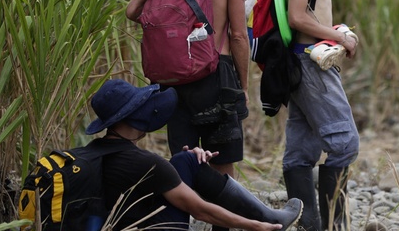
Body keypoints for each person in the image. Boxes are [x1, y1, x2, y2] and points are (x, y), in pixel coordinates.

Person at [126, 0, 251, 197]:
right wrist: (243, 86)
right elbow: (237, 35)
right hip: (215, 75)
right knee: (222, 165)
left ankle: (179, 221)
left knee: (183, 161)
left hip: (173, 79)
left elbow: (132, 11)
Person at [85, 79, 303, 230]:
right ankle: (268, 220)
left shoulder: (93, 152)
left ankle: (267, 214)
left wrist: (183, 164)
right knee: (185, 164)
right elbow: (200, 211)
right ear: (135, 116)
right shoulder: (144, 162)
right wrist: (255, 227)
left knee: (185, 159)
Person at [281, 0, 360, 231]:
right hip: (310, 65)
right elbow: (296, 17)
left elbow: (309, 15)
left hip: (307, 63)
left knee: (301, 150)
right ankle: (331, 224)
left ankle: (308, 223)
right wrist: (339, 36)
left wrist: (334, 31)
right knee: (345, 144)